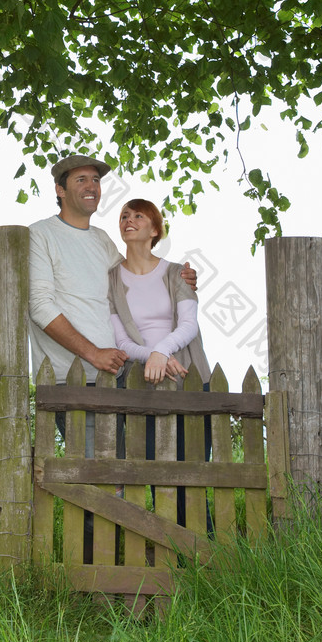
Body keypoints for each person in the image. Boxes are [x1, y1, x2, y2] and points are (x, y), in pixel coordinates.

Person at [28, 156, 197, 386]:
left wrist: (179, 276)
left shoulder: (102, 240)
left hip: (113, 377)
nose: (91, 187)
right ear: (61, 190)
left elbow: (136, 276)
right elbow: (39, 306)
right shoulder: (40, 234)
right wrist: (94, 353)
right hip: (70, 379)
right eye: (81, 180)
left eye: (96, 180)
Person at [107, 197, 211, 528]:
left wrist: (161, 351)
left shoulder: (177, 272)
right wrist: (151, 357)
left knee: (192, 476)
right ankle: (173, 555)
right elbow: (121, 341)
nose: (128, 220)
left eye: (138, 216)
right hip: (142, 385)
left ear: (155, 229)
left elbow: (189, 324)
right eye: (124, 215)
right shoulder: (110, 279)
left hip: (190, 379)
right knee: (157, 476)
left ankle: (207, 558)